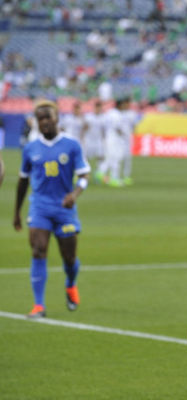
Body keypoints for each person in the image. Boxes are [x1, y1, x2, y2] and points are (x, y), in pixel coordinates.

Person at [13, 99, 91, 318]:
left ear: (57, 117)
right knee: (38, 251)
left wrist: (74, 194)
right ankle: (39, 305)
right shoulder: (30, 148)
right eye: (40, 119)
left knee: (69, 258)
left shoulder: (72, 145)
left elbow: (84, 175)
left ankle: (70, 283)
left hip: (64, 209)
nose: (44, 122)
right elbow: (23, 181)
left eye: (48, 117)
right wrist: (17, 212)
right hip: (39, 207)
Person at [83, 100, 106, 177]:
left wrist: (104, 140)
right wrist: (82, 138)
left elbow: (103, 130)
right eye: (97, 107)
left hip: (98, 141)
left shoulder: (103, 117)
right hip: (89, 141)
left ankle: (99, 174)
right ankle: (85, 174)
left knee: (100, 157)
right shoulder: (89, 117)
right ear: (95, 107)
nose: (99, 109)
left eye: (100, 107)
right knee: (86, 158)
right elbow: (84, 128)